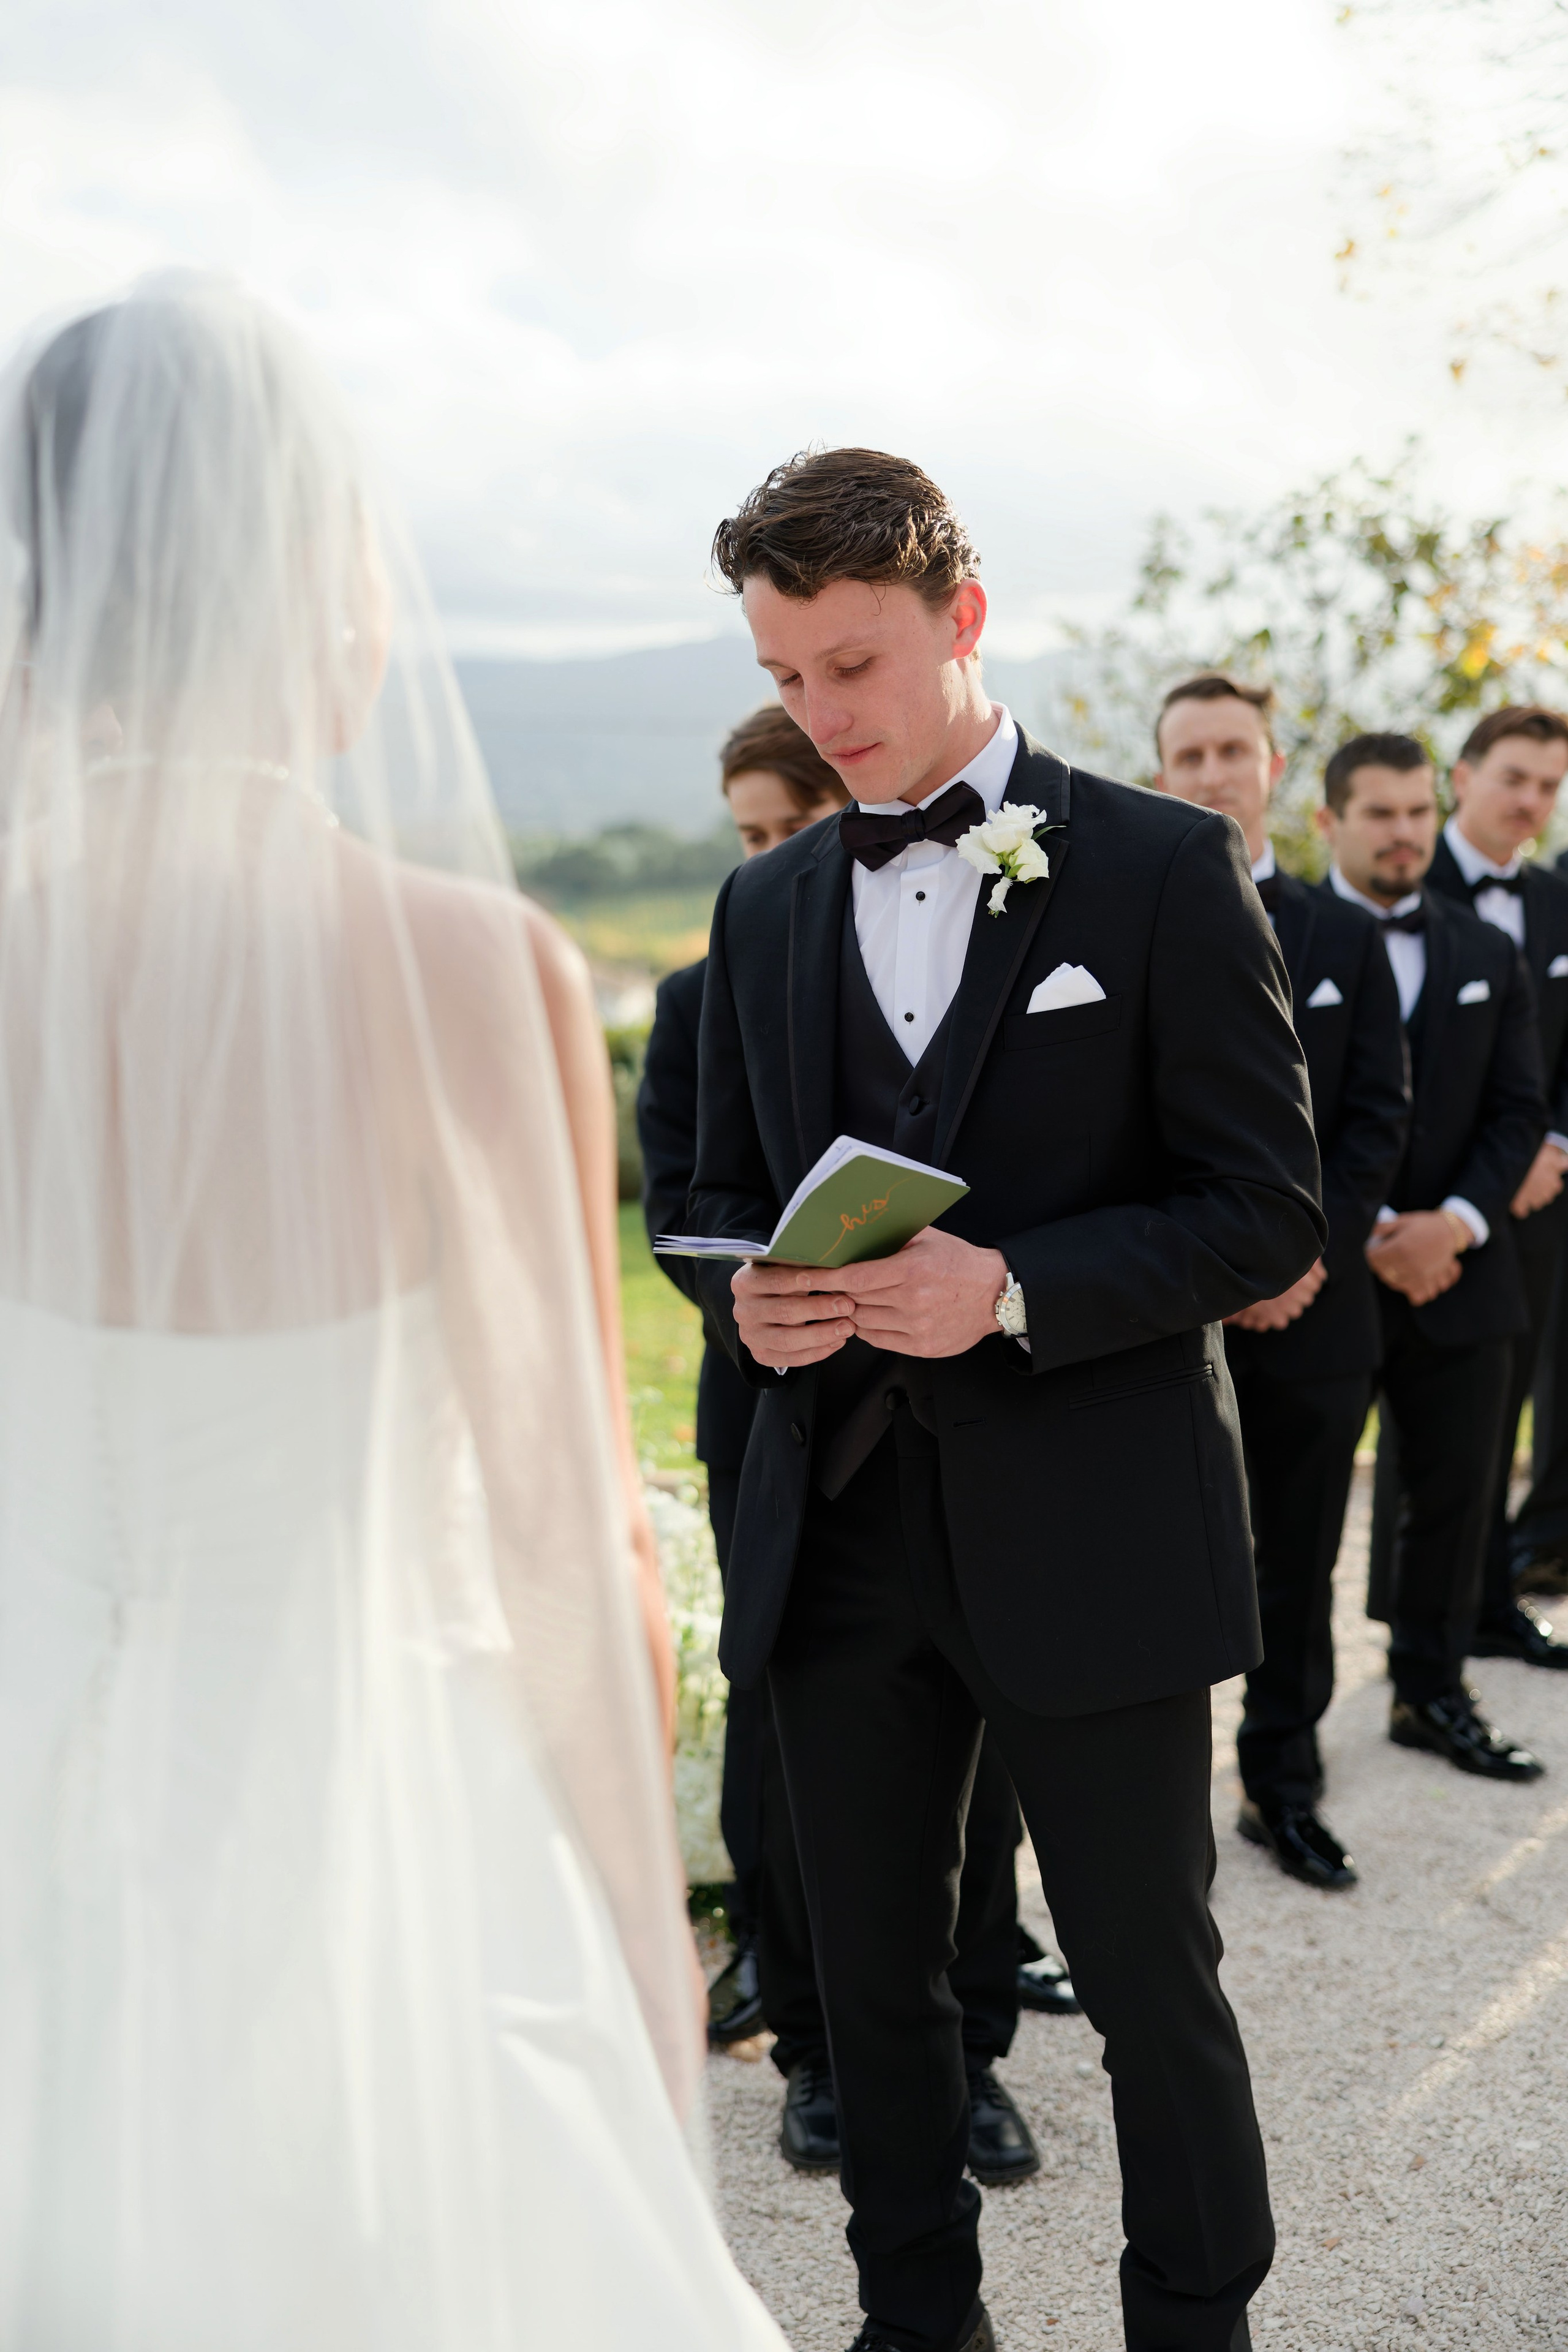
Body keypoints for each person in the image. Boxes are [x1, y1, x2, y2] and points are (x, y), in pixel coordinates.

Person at [0, 278, 786, 2350]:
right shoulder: (465, 969)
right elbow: (566, 1529)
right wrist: (639, 1930)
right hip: (376, 1837)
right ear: (311, 583)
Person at [690, 447, 1326, 2352]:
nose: (824, 720)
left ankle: (1194, 2323)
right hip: (842, 1538)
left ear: (962, 621)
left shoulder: (1156, 863)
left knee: (1152, 1983)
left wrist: (1020, 1286)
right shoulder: (767, 908)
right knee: (875, 1995)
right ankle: (916, 2326)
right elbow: (712, 1200)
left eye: (856, 669)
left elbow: (1265, 1208)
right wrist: (759, 1304)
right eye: (789, 678)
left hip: (1093, 1529)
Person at [637, 701, 1068, 2188]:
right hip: (776, 1419)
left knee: (980, 1745)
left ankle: (972, 2058)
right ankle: (814, 2049)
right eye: (747, 836)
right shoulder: (710, 986)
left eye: (788, 827)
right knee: (782, 1753)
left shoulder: (962, 962)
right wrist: (754, 1288)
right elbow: (682, 1211)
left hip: (969, 1417)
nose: (765, 858)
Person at [1153, 674, 1408, 1891]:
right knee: (1154, 1562)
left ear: (1269, 767)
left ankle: (1280, 1782)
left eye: (1231, 751)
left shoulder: (1342, 935)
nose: (1211, 773)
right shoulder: (1128, 924)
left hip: (1312, 1310)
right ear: (1161, 776)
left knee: (1297, 1560)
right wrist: (1206, 1273)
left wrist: (1300, 1256)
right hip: (1166, 1318)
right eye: (1187, 755)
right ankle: (1146, 1815)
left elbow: (1372, 1121)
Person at [1319, 734, 1549, 1783]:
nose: (1406, 832)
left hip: (1463, 1268)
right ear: (1331, 821)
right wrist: (1363, 1232)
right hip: (1321, 1277)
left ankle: (1431, 1692)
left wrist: (1453, 1224)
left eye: (1417, 812)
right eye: (1382, 813)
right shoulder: (1276, 941)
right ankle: (1281, 1748)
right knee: (1299, 1520)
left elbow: (1518, 1113)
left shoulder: (1484, 951)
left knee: (1457, 1499)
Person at [1425, 705, 1568, 1657]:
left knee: (1507, 1396)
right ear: (1463, 775)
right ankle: (1420, 1626)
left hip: (1541, 1196)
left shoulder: (1559, 899)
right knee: (1428, 1426)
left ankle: (1490, 1603)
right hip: (1425, 1211)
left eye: (1551, 787)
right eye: (1515, 778)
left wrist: (1553, 1143)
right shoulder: (1391, 885)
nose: (1532, 801)